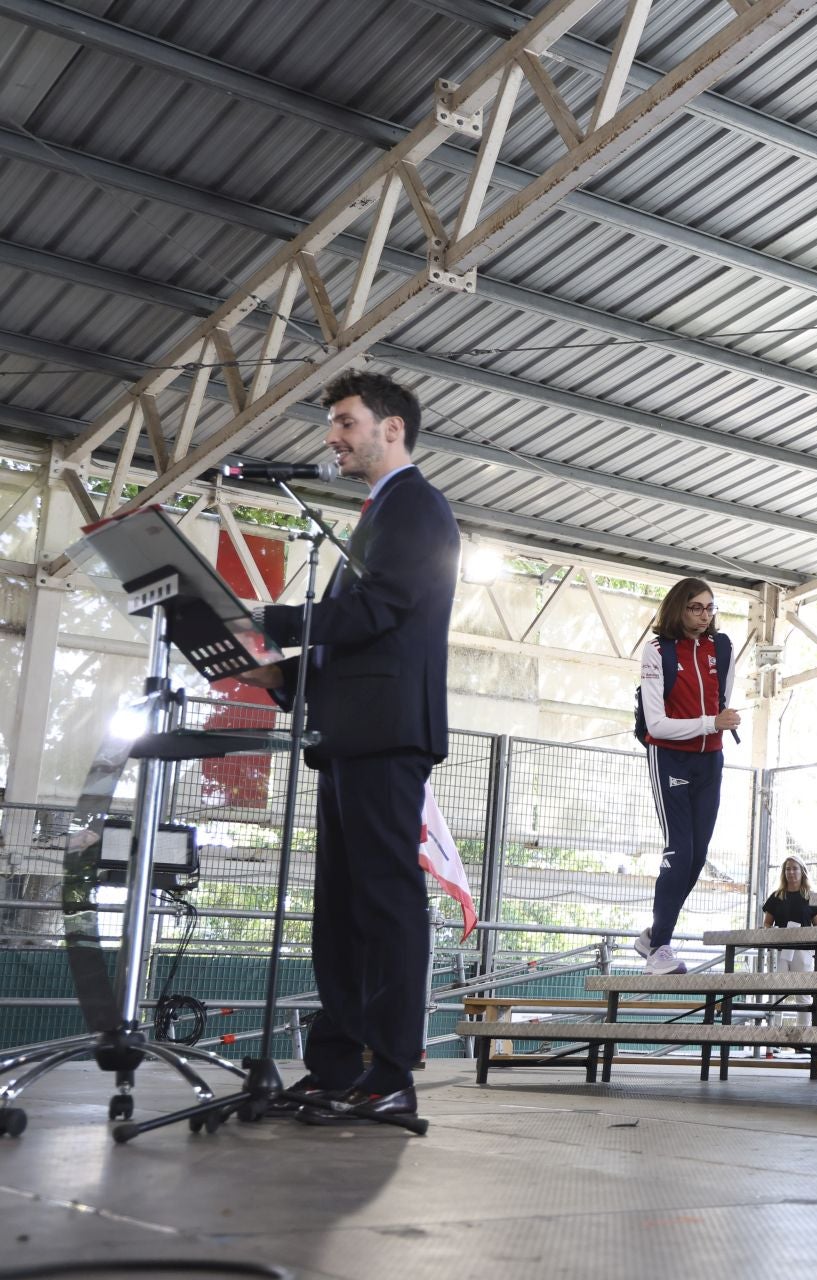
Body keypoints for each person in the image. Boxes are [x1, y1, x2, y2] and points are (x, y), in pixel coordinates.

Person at [239, 371, 458, 1125]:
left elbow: (383, 609)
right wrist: (281, 675)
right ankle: (338, 1064)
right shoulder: (376, 515)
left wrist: (270, 620)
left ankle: (390, 1072)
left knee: (386, 903)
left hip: (388, 735)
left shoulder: (418, 508)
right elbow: (355, 636)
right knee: (339, 910)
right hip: (349, 734)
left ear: (390, 428)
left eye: (344, 421)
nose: (331, 436)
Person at [633, 577, 738, 976]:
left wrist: (717, 723)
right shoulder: (657, 651)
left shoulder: (723, 647)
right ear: (678, 608)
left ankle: (652, 936)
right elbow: (657, 725)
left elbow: (721, 700)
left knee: (697, 856)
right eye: (696, 607)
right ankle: (660, 948)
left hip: (710, 760)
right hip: (670, 759)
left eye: (710, 607)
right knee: (678, 850)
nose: (704, 615)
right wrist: (711, 722)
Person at [762, 856, 817, 1032]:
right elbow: (767, 924)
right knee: (778, 991)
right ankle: (775, 1036)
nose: (791, 872)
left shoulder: (811, 897)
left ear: (802, 871)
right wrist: (771, 932)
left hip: (803, 951)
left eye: (794, 868)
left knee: (803, 994)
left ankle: (803, 1036)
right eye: (787, 869)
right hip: (781, 949)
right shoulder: (776, 896)